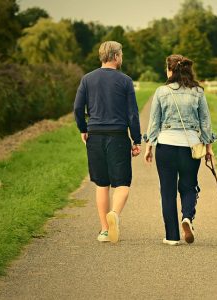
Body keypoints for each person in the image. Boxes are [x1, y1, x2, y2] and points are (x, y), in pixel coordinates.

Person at [143, 54, 217, 246]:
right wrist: (209, 148)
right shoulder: (198, 92)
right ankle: (187, 217)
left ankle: (172, 236)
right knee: (189, 185)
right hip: (191, 147)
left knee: (167, 191)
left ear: (170, 70)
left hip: (166, 146)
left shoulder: (161, 92)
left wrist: (149, 147)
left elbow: (154, 123)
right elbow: (205, 123)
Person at [74, 41, 141, 244]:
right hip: (118, 136)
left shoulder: (87, 79)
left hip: (94, 135)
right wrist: (136, 140)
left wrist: (83, 129)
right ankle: (115, 214)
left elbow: (78, 108)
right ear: (115, 56)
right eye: (121, 55)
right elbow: (132, 114)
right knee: (122, 184)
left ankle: (104, 230)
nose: (121, 58)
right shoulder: (125, 81)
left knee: (102, 184)